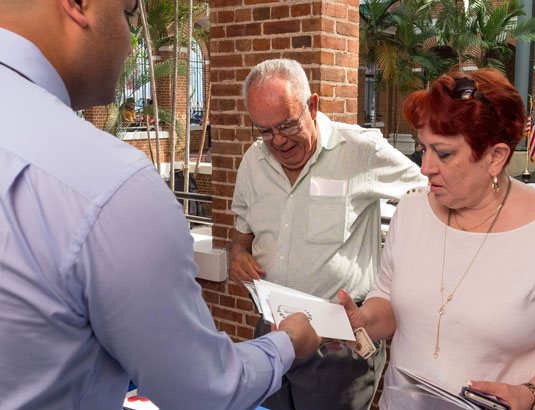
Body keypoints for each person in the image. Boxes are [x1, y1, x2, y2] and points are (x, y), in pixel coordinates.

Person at [0, 2, 320, 410]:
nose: (132, 36)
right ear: (79, 5)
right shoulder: (109, 186)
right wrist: (289, 342)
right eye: (130, 12)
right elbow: (203, 390)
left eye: (287, 125)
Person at [338, 69, 535, 410]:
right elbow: (388, 297)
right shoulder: (411, 210)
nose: (425, 166)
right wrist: (365, 320)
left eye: (442, 153)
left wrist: (531, 394)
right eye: (422, 148)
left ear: (495, 157)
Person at [228, 59, 426, 410]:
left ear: (313, 106)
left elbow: (432, 192)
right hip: (272, 334)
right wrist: (238, 255)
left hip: (338, 343)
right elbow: (242, 233)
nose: (277, 141)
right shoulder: (252, 162)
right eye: (264, 130)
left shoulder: (361, 151)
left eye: (287, 125)